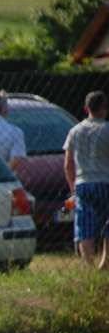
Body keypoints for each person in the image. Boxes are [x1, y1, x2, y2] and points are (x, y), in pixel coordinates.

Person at [63, 90, 109, 268]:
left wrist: (72, 188)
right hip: (106, 182)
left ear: (86, 108)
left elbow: (68, 164)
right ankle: (105, 262)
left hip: (83, 183)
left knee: (85, 226)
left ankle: (88, 264)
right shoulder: (106, 130)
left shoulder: (75, 131)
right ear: (105, 109)